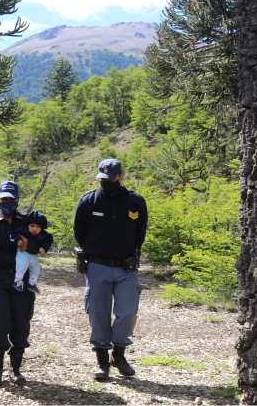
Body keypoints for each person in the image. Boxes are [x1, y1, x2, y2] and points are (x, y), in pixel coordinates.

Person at [73, 158, 148, 380]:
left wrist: (130, 254)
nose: (106, 182)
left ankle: (119, 354)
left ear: (121, 176)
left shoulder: (135, 202)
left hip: (126, 268)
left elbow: (140, 232)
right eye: (102, 178)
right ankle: (102, 361)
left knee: (127, 313)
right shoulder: (89, 201)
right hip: (97, 266)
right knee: (98, 314)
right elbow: (79, 231)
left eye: (110, 178)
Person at [0, 180, 34, 387]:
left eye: (11, 199)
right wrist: (15, 261)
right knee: (1, 323)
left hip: (23, 280)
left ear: (17, 200)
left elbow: (40, 240)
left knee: (21, 323)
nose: (7, 202)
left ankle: (16, 369)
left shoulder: (27, 221)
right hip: (0, 278)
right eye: (3, 199)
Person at [10, 210, 54, 294]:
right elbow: (13, 234)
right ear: (28, 225)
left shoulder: (44, 234)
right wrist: (17, 240)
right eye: (32, 226)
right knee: (22, 265)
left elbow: (49, 239)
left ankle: (32, 284)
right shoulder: (24, 230)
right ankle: (17, 281)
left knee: (36, 269)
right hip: (23, 253)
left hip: (34, 256)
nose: (35, 229)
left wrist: (44, 247)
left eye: (38, 227)